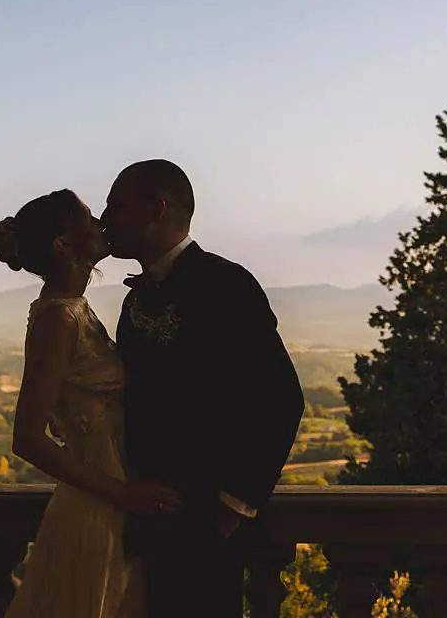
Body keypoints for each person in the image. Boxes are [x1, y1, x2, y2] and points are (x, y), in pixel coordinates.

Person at [101, 159, 305, 618]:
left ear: (157, 209)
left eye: (116, 205)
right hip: (142, 522)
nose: (105, 218)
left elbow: (281, 398)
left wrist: (232, 507)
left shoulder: (226, 285)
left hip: (203, 525)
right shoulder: (135, 298)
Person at [0, 188, 180, 618]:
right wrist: (122, 494)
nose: (102, 224)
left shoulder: (75, 309)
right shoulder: (58, 319)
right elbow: (28, 439)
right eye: (90, 217)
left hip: (114, 503)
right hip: (97, 508)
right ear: (64, 244)